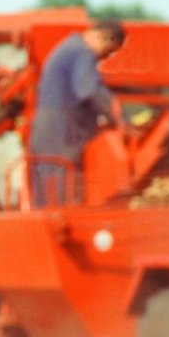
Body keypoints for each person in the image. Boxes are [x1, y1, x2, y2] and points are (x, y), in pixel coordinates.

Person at [29, 20, 128, 206]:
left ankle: (46, 220)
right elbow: (89, 90)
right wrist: (117, 116)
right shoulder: (82, 52)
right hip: (61, 129)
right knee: (59, 185)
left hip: (48, 127)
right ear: (103, 37)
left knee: (46, 185)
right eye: (108, 51)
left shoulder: (68, 47)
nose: (105, 58)